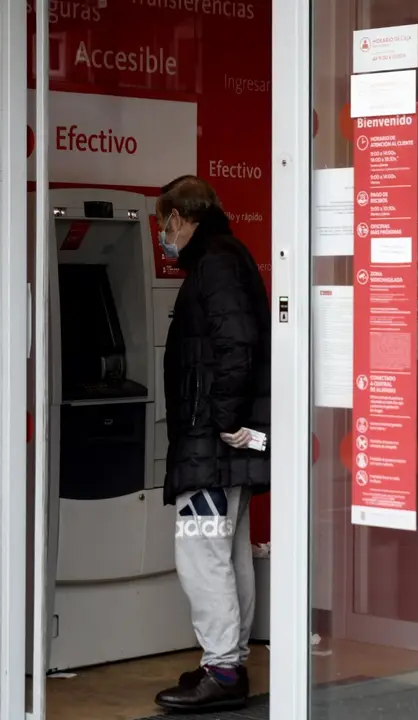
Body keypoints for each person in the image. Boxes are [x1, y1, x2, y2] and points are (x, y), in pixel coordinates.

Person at [152, 175, 272, 712]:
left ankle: (222, 667)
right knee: (226, 549)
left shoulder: (216, 263)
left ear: (179, 216)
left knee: (201, 551)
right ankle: (229, 658)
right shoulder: (225, 255)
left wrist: (221, 421)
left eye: (163, 224)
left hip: (214, 444)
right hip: (224, 443)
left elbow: (236, 346)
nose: (162, 235)